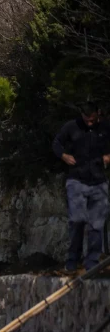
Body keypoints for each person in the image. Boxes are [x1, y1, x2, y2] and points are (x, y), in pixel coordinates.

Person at [53, 102, 110, 271]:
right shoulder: (72, 127)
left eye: (92, 120)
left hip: (99, 182)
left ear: (98, 113)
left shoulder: (106, 128)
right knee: (76, 220)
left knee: (96, 225)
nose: (89, 123)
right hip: (76, 181)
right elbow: (56, 143)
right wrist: (63, 156)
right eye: (86, 120)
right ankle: (73, 259)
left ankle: (92, 261)